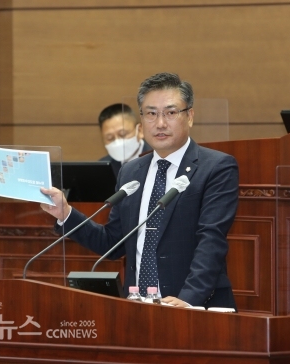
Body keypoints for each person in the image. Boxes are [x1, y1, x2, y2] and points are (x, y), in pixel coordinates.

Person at [41, 72, 239, 309]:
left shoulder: (216, 167)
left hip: (194, 308)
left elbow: (211, 241)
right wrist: (66, 214)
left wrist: (188, 300)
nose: (160, 123)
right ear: (142, 121)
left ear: (189, 117)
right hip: (139, 308)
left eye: (171, 113)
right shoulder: (131, 171)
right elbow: (112, 243)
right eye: (151, 113)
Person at [97, 103, 151, 177]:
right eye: (110, 138)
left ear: (140, 131)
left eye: (123, 134)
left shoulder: (160, 159)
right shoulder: (102, 168)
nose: (117, 142)